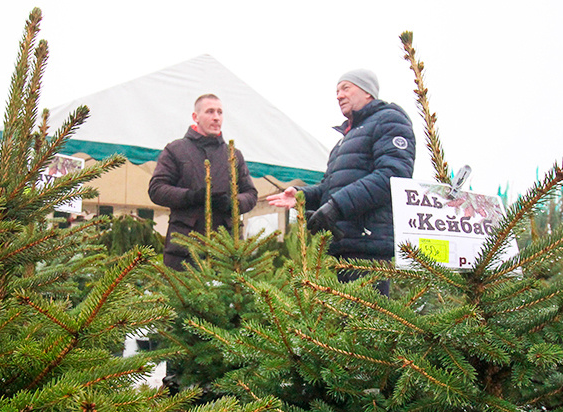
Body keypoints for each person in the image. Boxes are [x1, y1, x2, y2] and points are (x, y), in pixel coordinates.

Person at [267, 69, 416, 290]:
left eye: (346, 88)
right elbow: (331, 187)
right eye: (337, 90)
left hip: (369, 248)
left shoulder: (390, 120)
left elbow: (392, 176)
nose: (339, 95)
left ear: (368, 92)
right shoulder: (344, 140)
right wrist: (302, 195)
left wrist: (337, 207)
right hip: (341, 246)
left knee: (367, 321)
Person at [148, 93, 258, 270]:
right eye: (210, 112)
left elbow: (251, 194)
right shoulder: (175, 150)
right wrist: (191, 197)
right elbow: (156, 189)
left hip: (227, 251)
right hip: (184, 252)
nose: (216, 117)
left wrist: (233, 204)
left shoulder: (233, 155)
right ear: (195, 116)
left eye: (220, 112)